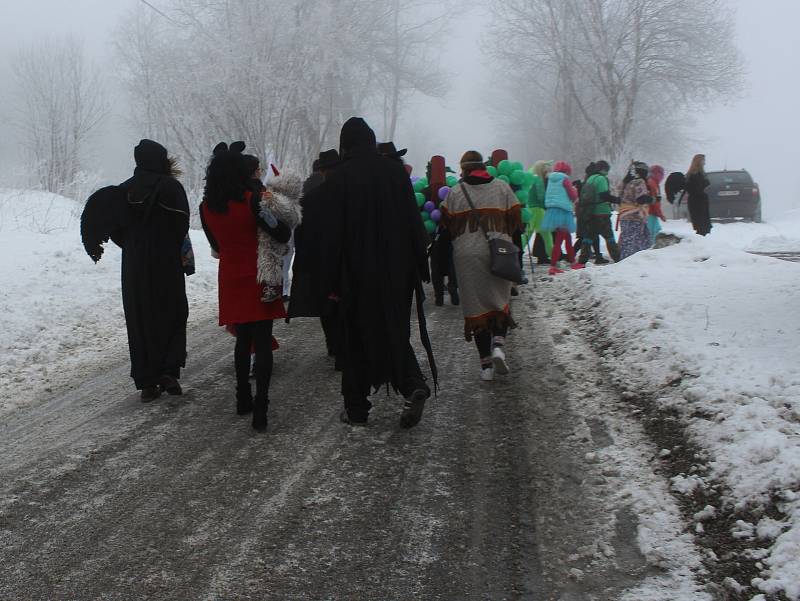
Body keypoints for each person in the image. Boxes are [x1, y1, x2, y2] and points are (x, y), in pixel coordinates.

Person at [316, 117, 436, 428]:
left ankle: (357, 408)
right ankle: (412, 385)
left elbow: (331, 237)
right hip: (397, 272)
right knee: (392, 331)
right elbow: (414, 221)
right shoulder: (395, 171)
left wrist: (328, 281)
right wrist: (420, 266)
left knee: (355, 338)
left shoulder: (339, 178)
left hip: (356, 275)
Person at [80, 139, 190, 402]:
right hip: (166, 264)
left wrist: (134, 246)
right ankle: (168, 371)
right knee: (172, 312)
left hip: (135, 267)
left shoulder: (123, 192)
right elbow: (181, 226)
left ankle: (146, 382)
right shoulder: (172, 188)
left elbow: (117, 231)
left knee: (140, 319)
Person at [199, 142, 292, 432]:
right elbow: (281, 231)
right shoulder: (254, 200)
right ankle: (261, 408)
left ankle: (242, 397)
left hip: (230, 277)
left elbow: (215, 245)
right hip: (260, 275)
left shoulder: (205, 208)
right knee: (262, 342)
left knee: (242, 339)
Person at [440, 151, 521, 382]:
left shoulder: (455, 192)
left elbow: (445, 226)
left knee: (477, 309)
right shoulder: (502, 187)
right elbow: (516, 221)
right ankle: (498, 345)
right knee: (499, 302)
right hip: (499, 252)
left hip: (467, 257)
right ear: (483, 166)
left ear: (464, 169)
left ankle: (485, 366)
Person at [289, 149, 345, 370]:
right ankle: (345, 346)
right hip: (345, 258)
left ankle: (333, 344)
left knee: (327, 303)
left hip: (321, 259)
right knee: (344, 302)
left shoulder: (310, 198)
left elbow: (301, 235)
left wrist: (304, 261)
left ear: (321, 171)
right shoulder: (351, 193)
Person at [540, 161, 583, 275]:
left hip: (552, 210)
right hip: (563, 211)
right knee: (559, 240)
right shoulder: (564, 179)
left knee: (567, 237)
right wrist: (576, 190)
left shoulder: (551, 179)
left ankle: (573, 262)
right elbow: (573, 196)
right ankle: (553, 266)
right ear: (566, 171)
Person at [576, 160, 621, 264]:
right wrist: (617, 200)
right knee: (609, 237)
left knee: (588, 237)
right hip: (602, 213)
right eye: (607, 170)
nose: (607, 173)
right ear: (604, 169)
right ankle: (618, 259)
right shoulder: (601, 179)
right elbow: (604, 195)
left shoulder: (590, 178)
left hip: (590, 212)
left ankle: (582, 260)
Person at [618, 161, 654, 259]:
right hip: (635, 217)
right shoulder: (639, 182)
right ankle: (633, 264)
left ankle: (624, 261)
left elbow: (619, 197)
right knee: (636, 243)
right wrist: (652, 199)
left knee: (626, 241)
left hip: (624, 216)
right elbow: (641, 199)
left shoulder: (626, 182)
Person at [528, 160, 553, 264]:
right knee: (547, 235)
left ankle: (516, 254)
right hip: (538, 210)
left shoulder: (529, 177)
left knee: (527, 234)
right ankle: (553, 256)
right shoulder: (538, 180)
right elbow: (541, 196)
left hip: (528, 209)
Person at [685, 154, 712, 236]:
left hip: (698, 201)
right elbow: (697, 189)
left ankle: (701, 243)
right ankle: (700, 244)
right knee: (701, 225)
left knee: (702, 225)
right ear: (699, 162)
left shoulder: (696, 174)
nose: (705, 163)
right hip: (697, 202)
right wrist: (705, 184)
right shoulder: (695, 174)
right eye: (703, 161)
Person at [646, 164, 667, 245]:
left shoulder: (650, 181)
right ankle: (651, 251)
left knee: (655, 231)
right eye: (661, 174)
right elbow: (655, 201)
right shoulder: (653, 184)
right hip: (650, 213)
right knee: (653, 233)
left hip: (649, 212)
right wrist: (661, 215)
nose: (663, 176)